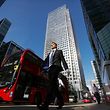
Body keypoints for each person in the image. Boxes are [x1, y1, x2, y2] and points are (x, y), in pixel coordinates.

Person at [39, 42, 69, 110]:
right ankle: (61, 102)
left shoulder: (59, 51)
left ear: (55, 45)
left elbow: (63, 60)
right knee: (54, 88)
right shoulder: (49, 54)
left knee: (50, 85)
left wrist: (66, 68)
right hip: (50, 70)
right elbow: (45, 62)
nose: (51, 45)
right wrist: (42, 69)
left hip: (56, 68)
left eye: (52, 44)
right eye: (51, 44)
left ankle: (45, 105)